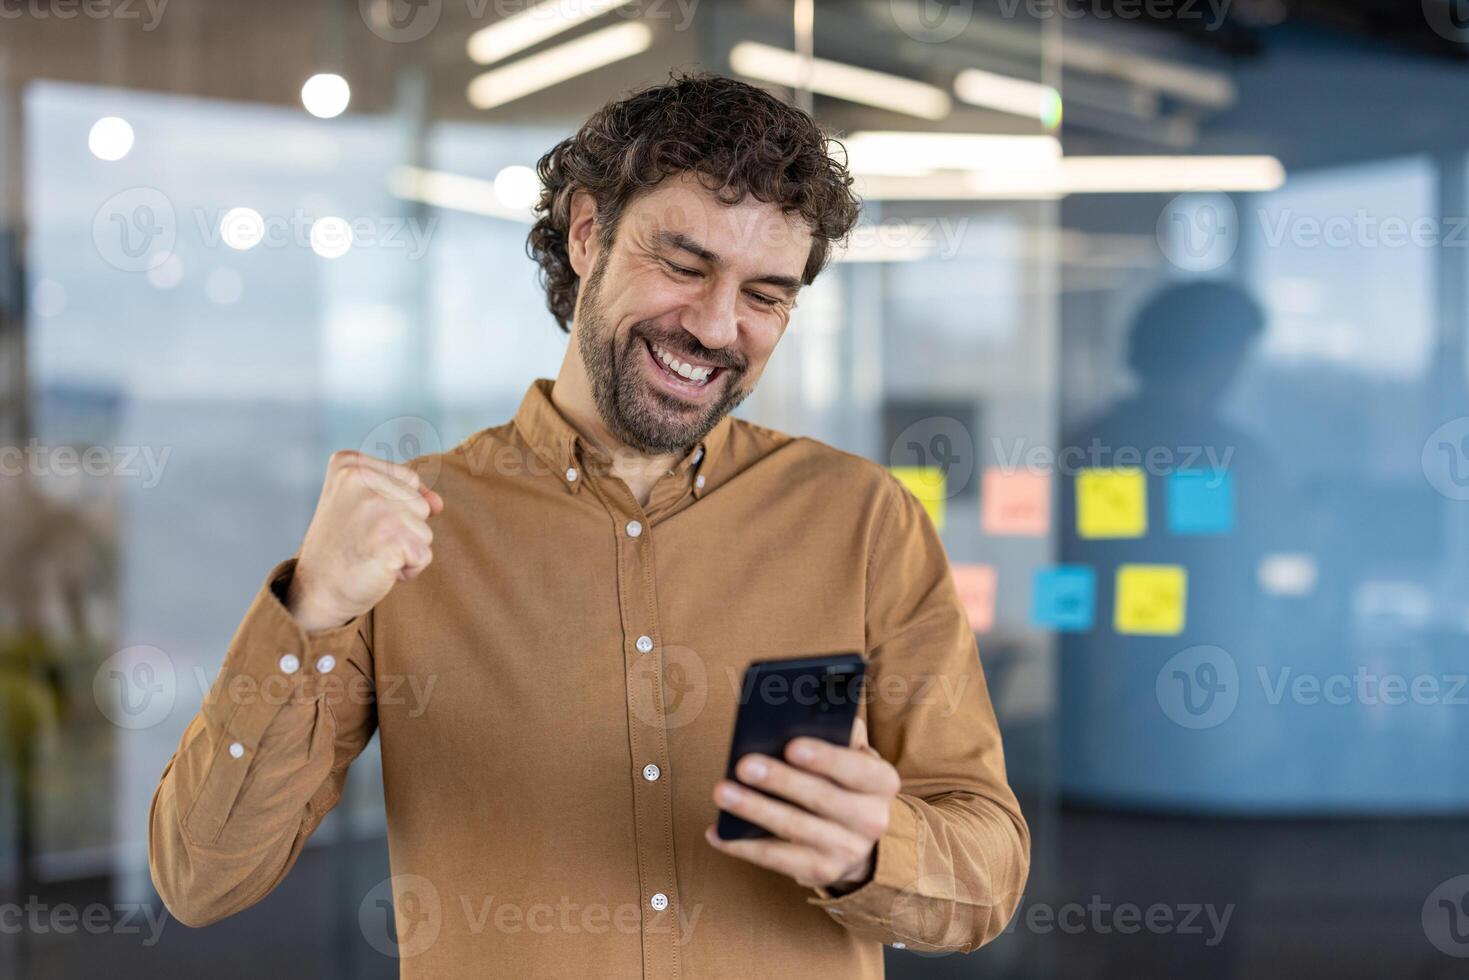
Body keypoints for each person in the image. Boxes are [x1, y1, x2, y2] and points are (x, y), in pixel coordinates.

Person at [148, 71, 1029, 978]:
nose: (717, 326)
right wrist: (312, 609)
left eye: (766, 295)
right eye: (683, 266)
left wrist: (870, 852)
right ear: (585, 233)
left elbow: (987, 873)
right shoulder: (407, 533)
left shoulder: (862, 519)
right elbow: (201, 876)